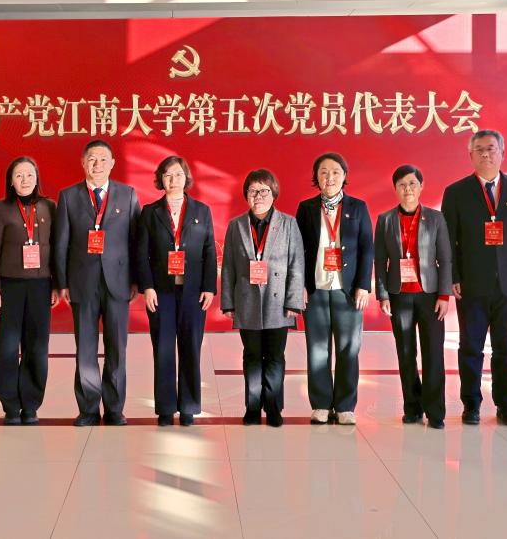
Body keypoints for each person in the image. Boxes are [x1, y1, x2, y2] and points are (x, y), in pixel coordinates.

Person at [441, 129, 507, 426]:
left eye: (491, 148)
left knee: (506, 348)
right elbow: (447, 240)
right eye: (480, 149)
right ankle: (471, 404)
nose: (486, 154)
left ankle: (506, 405)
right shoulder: (456, 192)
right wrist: (453, 276)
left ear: (502, 153)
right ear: (471, 155)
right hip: (471, 283)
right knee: (471, 347)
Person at [52, 140, 140, 426]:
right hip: (82, 283)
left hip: (119, 283)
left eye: (103, 159)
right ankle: (88, 408)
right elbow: (61, 243)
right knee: (85, 349)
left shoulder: (128, 195)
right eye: (92, 158)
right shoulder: (69, 196)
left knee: (117, 349)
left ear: (113, 163)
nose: (97, 164)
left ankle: (114, 408)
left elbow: (136, 242)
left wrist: (136, 280)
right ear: (83, 162)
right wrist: (62, 282)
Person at [136, 155, 217, 426]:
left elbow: (209, 250)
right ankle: (166, 408)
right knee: (163, 348)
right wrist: (147, 287)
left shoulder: (201, 211)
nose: (173, 180)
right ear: (161, 179)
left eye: (178, 174)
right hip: (161, 292)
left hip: (193, 292)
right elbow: (142, 253)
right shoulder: (150, 212)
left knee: (191, 347)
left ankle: (189, 406)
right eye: (168, 175)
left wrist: (209, 288)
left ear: (186, 178)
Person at [220, 169, 304, 427]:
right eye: (253, 191)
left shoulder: (288, 224)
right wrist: (228, 303)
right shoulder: (236, 226)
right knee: (252, 356)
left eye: (264, 190)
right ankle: (253, 407)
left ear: (274, 193)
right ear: (246, 195)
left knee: (275, 356)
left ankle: (274, 407)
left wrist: (293, 301)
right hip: (247, 300)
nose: (258, 196)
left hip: (279, 303)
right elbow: (228, 267)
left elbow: (296, 263)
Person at [295, 152, 372, 426]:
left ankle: (345, 406)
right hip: (315, 288)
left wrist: (363, 285)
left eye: (335, 172)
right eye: (323, 172)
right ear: (316, 177)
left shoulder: (358, 207)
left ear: (344, 176)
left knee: (348, 349)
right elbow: (298, 251)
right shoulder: (306, 208)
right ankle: (320, 404)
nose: (329, 177)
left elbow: (367, 248)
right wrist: (300, 286)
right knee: (317, 349)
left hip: (347, 290)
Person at [375, 165, 453, 429]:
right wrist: (383, 295)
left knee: (434, 354)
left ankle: (435, 411)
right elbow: (380, 261)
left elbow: (445, 259)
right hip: (399, 297)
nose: (407, 189)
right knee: (406, 353)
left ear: (421, 186)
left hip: (430, 296)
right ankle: (412, 407)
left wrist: (445, 295)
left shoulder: (436, 218)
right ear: (395, 189)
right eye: (401, 185)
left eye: (412, 184)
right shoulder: (385, 220)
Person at [0, 157, 57, 425]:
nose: (24, 180)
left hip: (40, 286)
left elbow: (57, 247)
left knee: (37, 346)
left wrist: (56, 284)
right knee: (5, 346)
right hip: (8, 286)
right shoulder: (0, 209)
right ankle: (10, 405)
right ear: (10, 181)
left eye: (29, 174)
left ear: (37, 178)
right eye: (18, 175)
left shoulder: (49, 207)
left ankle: (31, 404)